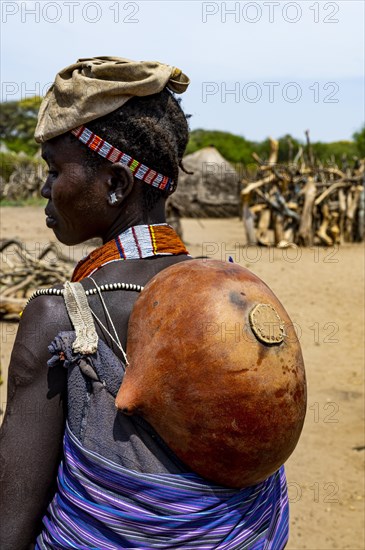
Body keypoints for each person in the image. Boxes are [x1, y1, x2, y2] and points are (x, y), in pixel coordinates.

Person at [0, 57, 289, 549]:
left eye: (54, 169)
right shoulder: (240, 294)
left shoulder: (58, 318)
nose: (46, 189)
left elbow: (9, 522)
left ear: (116, 183)